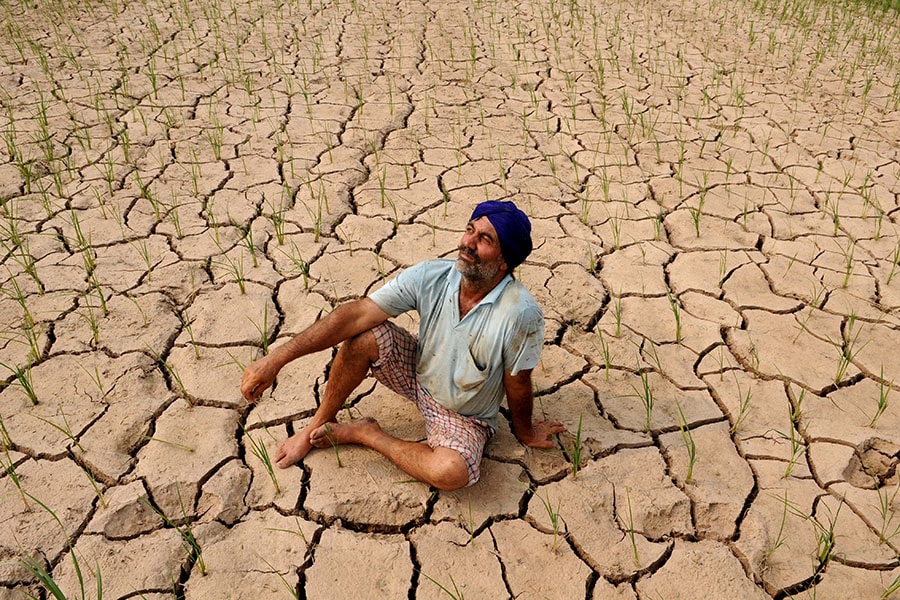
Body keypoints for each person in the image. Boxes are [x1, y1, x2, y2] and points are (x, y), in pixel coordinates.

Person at [240, 200, 565, 490]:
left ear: (505, 262)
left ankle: (365, 433)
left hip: (464, 414)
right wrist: (276, 359)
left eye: (485, 239)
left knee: (451, 472)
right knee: (365, 336)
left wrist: (525, 431)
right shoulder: (433, 276)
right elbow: (355, 315)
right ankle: (317, 425)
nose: (468, 243)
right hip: (418, 375)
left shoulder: (520, 314)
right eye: (470, 230)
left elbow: (518, 381)